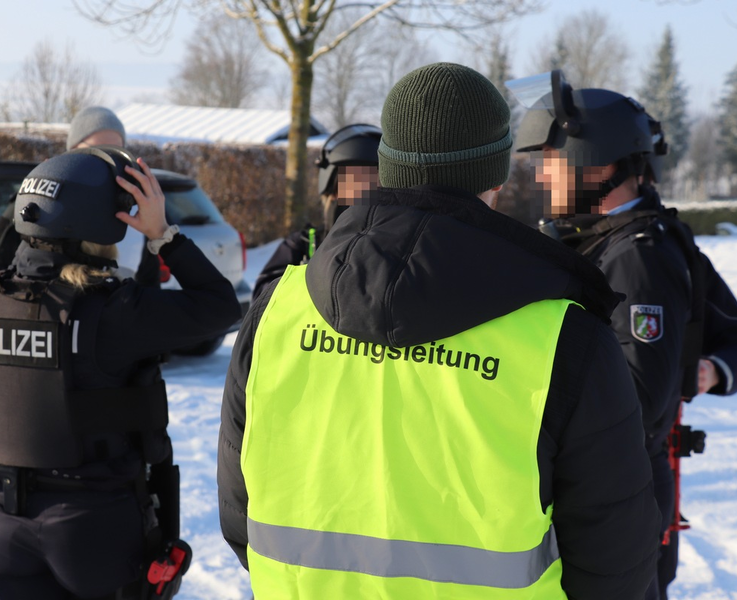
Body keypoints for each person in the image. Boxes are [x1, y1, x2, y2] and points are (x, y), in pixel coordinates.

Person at [218, 62, 660, 599]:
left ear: (387, 166)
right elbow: (615, 568)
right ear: (496, 175)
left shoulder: (275, 312)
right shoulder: (566, 338)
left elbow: (243, 520)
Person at [0, 146, 241, 599]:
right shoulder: (112, 313)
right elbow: (219, 305)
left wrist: (39, 199)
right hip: (92, 529)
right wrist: (162, 234)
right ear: (102, 225)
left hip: (1, 523)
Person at [513, 70, 737, 600]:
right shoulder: (601, 242)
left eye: (552, 160)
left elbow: (632, 406)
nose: (542, 176)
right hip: (607, 500)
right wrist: (706, 366)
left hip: (612, 508)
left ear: (602, 162)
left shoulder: (638, 257)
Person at [0, 106, 160, 288]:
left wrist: (163, 234)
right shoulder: (40, 200)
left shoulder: (136, 212)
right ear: (72, 152)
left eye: (114, 152)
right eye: (97, 151)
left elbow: (151, 287)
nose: (105, 161)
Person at [251, 123, 381, 300]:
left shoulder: (398, 246)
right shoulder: (302, 245)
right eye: (353, 186)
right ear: (330, 192)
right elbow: (262, 301)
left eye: (372, 187)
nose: (361, 198)